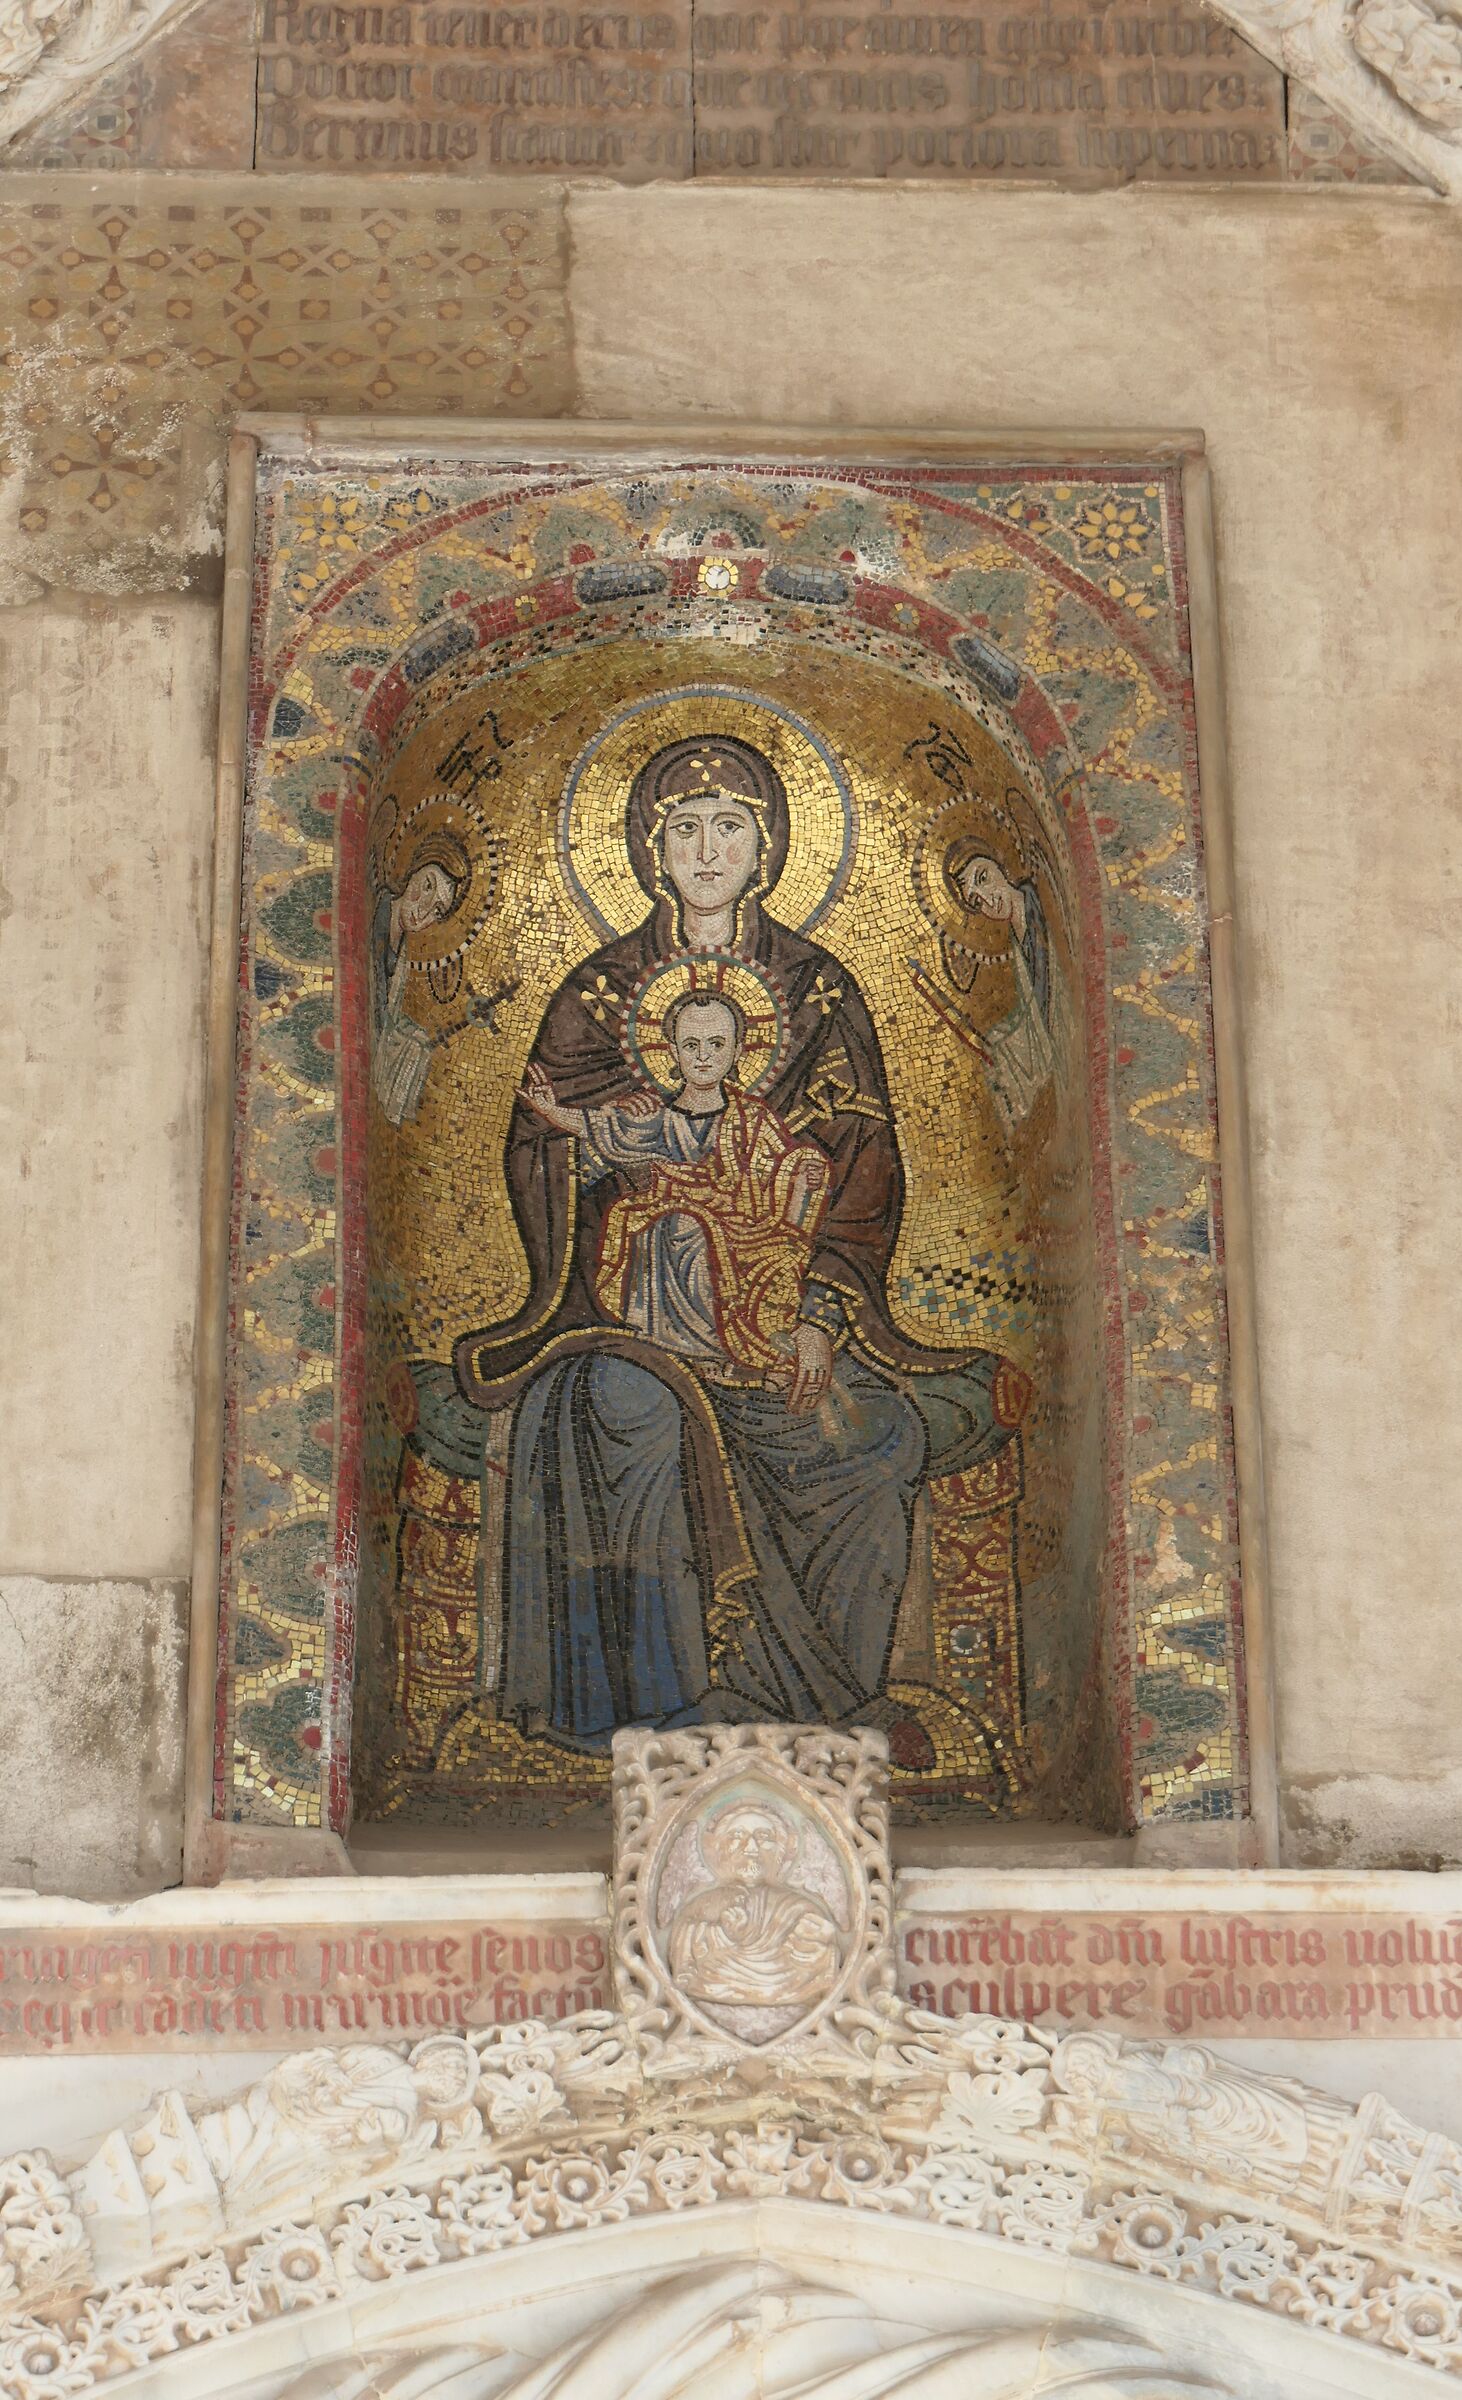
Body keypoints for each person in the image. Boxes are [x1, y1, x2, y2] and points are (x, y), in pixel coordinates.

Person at [454, 734, 1031, 1751]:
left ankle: (820, 1701)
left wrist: (818, 1317)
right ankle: (653, 1708)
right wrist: (593, 1165)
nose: (707, 849)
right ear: (649, 848)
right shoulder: (595, 993)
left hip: (775, 1310)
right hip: (626, 1315)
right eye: (684, 828)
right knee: (628, 1415)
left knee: (874, 1437)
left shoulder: (819, 991)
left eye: (730, 827)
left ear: (766, 849)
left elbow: (862, 1167)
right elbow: (537, 1149)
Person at [519, 990, 829, 1382]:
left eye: (717, 1044)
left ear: (737, 1052)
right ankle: (687, 1346)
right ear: (673, 1052)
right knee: (680, 1226)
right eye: (691, 1045)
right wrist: (550, 1110)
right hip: (678, 1222)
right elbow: (603, 1128)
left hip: (746, 1230)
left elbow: (787, 1164)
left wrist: (805, 1172)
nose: (704, 1056)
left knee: (707, 1232)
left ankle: (732, 1347)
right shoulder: (658, 1118)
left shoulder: (752, 1119)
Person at [665, 1801, 844, 2010]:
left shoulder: (803, 1910)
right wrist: (720, 1934)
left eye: (763, 1837)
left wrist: (811, 1951)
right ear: (718, 1848)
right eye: (737, 1836)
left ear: (782, 1850)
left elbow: (825, 1965)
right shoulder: (698, 1908)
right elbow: (684, 1958)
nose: (751, 1847)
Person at [949, 850, 1062, 1138]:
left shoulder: (1037, 905)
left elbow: (1053, 1000)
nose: (988, 900)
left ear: (1003, 866)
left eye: (983, 878)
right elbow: (1034, 1011)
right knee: (995, 1042)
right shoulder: (1015, 941)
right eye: (976, 902)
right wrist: (998, 1042)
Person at [370, 851, 464, 1126]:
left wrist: (411, 1034)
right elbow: (372, 1012)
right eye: (427, 886)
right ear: (410, 872)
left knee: (419, 1040)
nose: (423, 910)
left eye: (437, 910)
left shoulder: (403, 952)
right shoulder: (377, 913)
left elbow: (386, 1013)